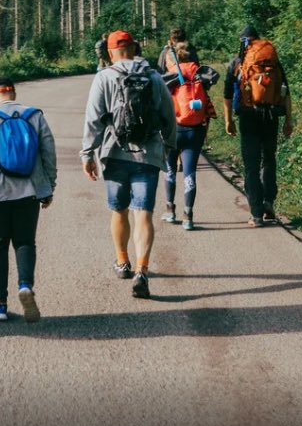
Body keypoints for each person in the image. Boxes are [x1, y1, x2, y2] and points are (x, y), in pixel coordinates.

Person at [81, 28, 175, 299]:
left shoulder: (104, 77)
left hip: (114, 153)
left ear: (110, 52)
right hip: (148, 155)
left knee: (119, 211)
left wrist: (87, 154)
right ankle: (142, 271)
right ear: (134, 48)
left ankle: (122, 262)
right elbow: (168, 116)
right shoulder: (154, 77)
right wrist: (170, 148)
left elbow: (94, 119)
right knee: (143, 212)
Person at [0, 76, 57, 323]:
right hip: (28, 191)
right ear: (13, 94)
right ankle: (25, 285)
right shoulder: (34, 116)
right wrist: (48, 186)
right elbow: (49, 152)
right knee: (25, 241)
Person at [222, 25, 294, 227]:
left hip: (248, 116)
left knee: (251, 164)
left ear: (243, 41)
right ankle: (268, 201)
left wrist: (229, 120)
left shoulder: (237, 63)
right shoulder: (273, 61)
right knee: (268, 159)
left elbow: (227, 96)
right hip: (272, 115)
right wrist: (289, 119)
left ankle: (255, 214)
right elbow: (285, 92)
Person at [160, 40, 219, 231]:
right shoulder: (199, 73)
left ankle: (170, 209)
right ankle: (188, 215)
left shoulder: (171, 74)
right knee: (190, 172)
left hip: (174, 129)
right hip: (195, 129)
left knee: (170, 168)